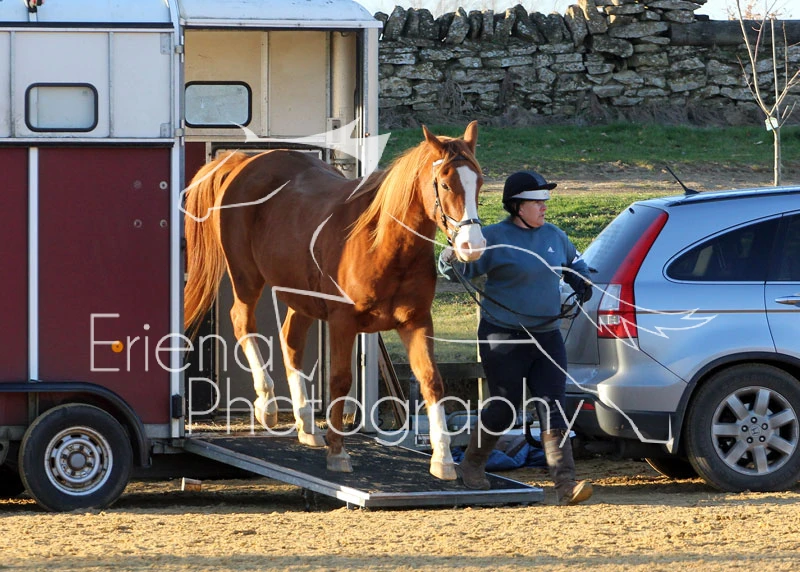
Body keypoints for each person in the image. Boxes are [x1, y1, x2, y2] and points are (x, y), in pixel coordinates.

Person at [438, 170, 594, 505]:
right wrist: (448, 258)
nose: (544, 207)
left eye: (545, 201)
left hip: (547, 336)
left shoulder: (555, 236)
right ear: (517, 206)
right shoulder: (492, 238)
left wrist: (582, 283)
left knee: (554, 406)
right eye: (538, 202)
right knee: (504, 408)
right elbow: (460, 270)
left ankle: (566, 484)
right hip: (503, 336)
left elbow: (578, 265)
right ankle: (472, 465)